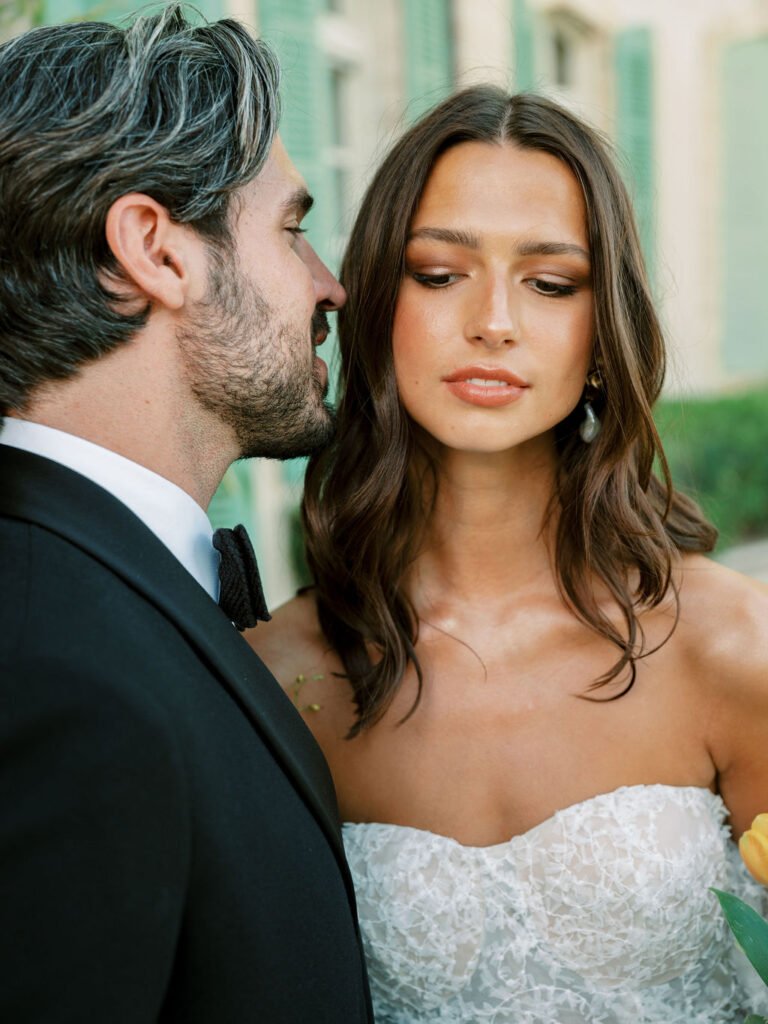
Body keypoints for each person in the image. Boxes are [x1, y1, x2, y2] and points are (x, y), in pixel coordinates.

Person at [249, 86, 768, 1022]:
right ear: (375, 306)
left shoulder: (732, 646)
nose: (493, 320)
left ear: (601, 333)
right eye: (439, 274)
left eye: (550, 283)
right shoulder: (284, 681)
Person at [0, 6, 372, 1022]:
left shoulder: (91, 588)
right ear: (156, 251)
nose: (329, 284)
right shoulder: (47, 664)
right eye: (292, 229)